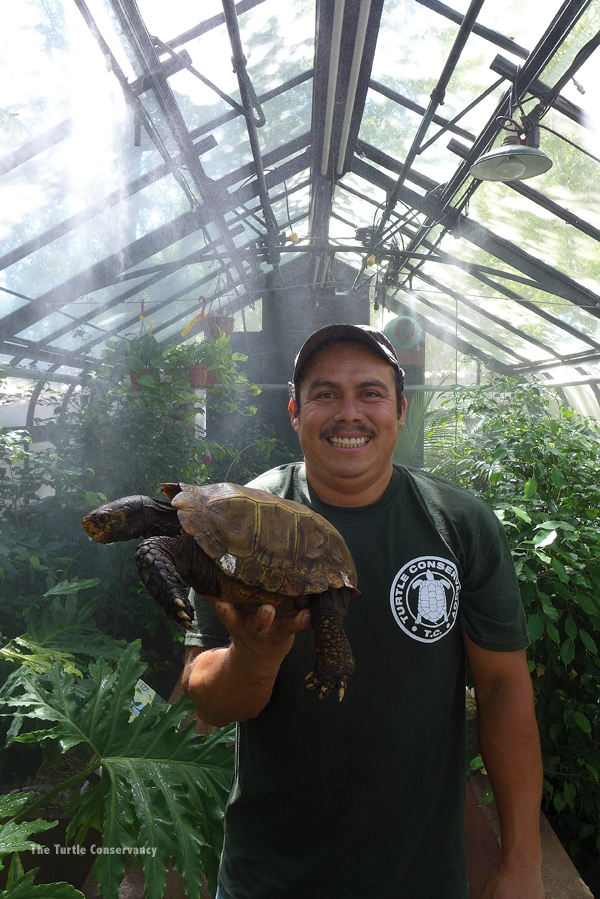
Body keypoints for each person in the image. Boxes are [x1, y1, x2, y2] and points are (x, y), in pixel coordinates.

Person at [182, 324, 544, 899]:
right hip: (273, 876)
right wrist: (253, 655)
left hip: (421, 875)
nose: (348, 413)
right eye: (325, 394)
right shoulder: (242, 517)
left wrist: (523, 860)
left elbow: (503, 688)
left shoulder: (458, 524)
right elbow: (212, 700)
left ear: (400, 412)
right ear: (296, 412)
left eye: (370, 393)